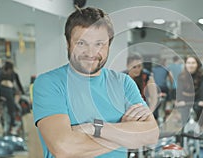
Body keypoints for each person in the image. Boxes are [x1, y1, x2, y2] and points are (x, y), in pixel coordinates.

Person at [32, 7, 159, 158]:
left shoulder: (124, 83)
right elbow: (64, 148)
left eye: (99, 44)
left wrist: (95, 128)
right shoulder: (49, 83)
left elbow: (151, 134)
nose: (90, 52)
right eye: (81, 43)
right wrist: (125, 135)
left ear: (109, 45)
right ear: (68, 43)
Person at [176, 55, 203, 127]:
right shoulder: (181, 76)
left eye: (193, 63)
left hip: (198, 100)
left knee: (199, 122)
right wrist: (180, 100)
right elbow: (179, 90)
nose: (191, 65)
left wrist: (202, 100)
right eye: (189, 63)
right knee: (185, 121)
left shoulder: (202, 77)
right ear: (185, 64)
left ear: (197, 65)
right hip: (185, 101)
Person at [0, 61, 24, 135]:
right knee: (12, 107)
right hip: (5, 92)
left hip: (11, 92)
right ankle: (12, 121)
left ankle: (13, 120)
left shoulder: (14, 74)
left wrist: (21, 92)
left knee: (15, 106)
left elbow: (19, 85)